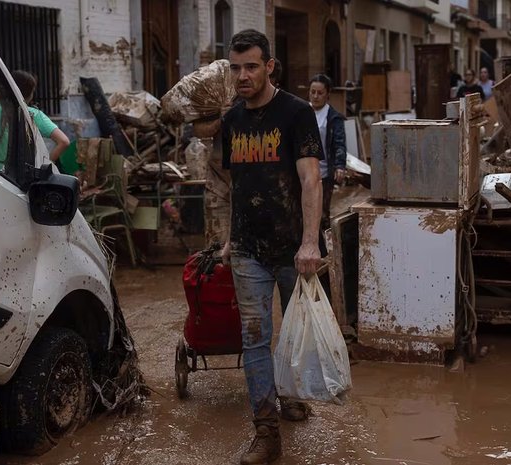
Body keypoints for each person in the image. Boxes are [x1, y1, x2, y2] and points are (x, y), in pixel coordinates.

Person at [220, 29, 322, 465]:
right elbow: (236, 186)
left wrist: (310, 242)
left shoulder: (297, 113)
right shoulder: (230, 121)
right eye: (235, 68)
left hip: (292, 248)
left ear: (269, 67)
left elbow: (310, 180)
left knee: (297, 331)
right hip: (248, 248)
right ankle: (266, 432)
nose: (242, 76)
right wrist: (229, 237)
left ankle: (292, 393)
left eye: (251, 67)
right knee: (256, 337)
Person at [0, 70, 69, 171]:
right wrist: (45, 165)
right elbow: (64, 141)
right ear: (30, 94)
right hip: (26, 175)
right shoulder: (34, 115)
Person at [308, 74, 346, 233]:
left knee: (322, 211)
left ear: (327, 94)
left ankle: (324, 249)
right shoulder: (302, 112)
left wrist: (339, 165)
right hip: (304, 171)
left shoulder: (333, 117)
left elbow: (339, 142)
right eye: (312, 92)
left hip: (324, 172)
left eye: (320, 93)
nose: (315, 96)